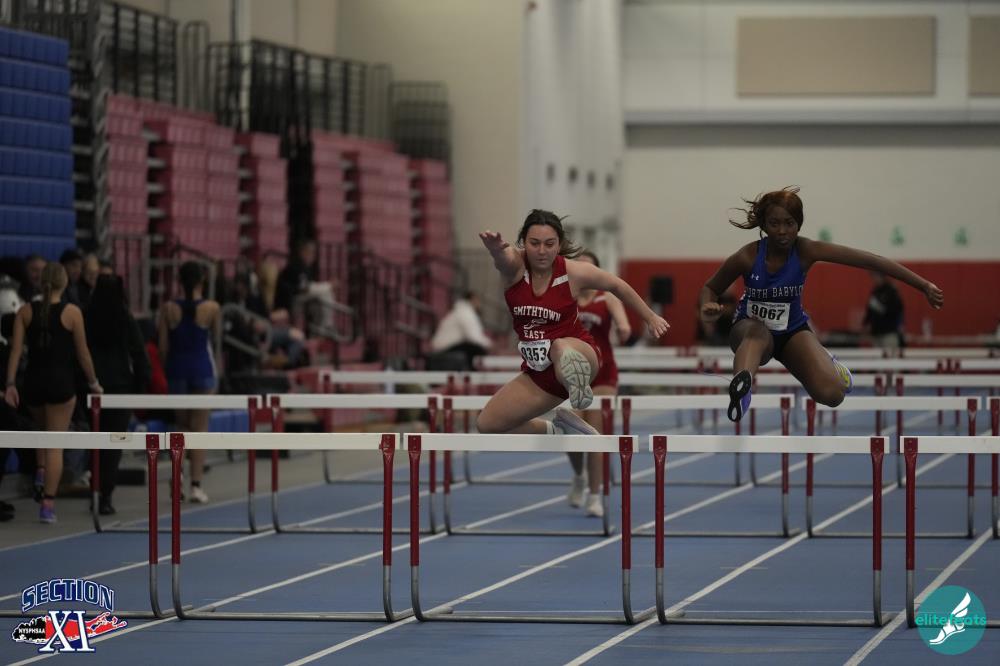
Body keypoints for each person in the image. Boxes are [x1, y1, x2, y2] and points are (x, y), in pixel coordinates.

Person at [699, 187, 944, 422]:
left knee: (832, 395)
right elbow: (710, 288)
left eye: (789, 223)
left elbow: (872, 261)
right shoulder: (747, 256)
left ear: (799, 225)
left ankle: (829, 363)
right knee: (757, 332)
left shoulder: (806, 250)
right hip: (749, 331)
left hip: (792, 331)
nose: (782, 231)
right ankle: (742, 389)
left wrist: (923, 285)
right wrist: (707, 307)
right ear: (763, 225)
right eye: (774, 224)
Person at [476, 209, 669, 444]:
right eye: (534, 243)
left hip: (581, 352)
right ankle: (559, 429)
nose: (542, 251)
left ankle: (575, 381)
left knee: (559, 347)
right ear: (523, 243)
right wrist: (496, 250)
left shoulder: (573, 272)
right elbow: (504, 259)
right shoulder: (516, 268)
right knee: (487, 424)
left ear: (559, 244)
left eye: (549, 244)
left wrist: (650, 317)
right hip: (540, 372)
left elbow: (617, 285)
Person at [4, 263, 103, 523]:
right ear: (64, 283)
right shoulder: (72, 313)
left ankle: (40, 471)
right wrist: (94, 383)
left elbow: (16, 351)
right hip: (60, 385)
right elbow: (83, 353)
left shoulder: (25, 311)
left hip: (33, 384)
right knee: (55, 444)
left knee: (41, 431)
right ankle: (47, 504)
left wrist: (10, 383)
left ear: (42, 282)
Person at [568, 250, 632, 517]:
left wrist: (623, 328)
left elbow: (623, 323)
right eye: (579, 267)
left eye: (589, 268)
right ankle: (579, 475)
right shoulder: (565, 297)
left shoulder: (607, 298)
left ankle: (594, 495)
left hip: (603, 375)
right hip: (574, 374)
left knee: (594, 436)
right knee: (570, 432)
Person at [86, 274, 151, 515]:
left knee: (94, 443)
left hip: (91, 387)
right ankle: (105, 495)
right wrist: (141, 386)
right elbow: (139, 352)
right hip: (120, 388)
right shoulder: (124, 316)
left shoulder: (85, 315)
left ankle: (94, 490)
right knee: (114, 444)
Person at [158, 262, 220, 503]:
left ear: (179, 281)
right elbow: (216, 344)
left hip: (177, 369)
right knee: (199, 429)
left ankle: (178, 479)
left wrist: (169, 370)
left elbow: (163, 347)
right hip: (202, 369)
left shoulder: (168, 309)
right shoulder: (212, 308)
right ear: (202, 281)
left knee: (181, 427)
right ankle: (196, 485)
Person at [428, 291, 493, 370]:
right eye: (478, 301)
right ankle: (472, 373)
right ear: (473, 299)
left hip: (444, 348)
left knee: (473, 348)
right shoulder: (465, 313)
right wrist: (490, 345)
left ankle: (472, 371)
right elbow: (473, 337)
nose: (480, 304)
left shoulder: (460, 311)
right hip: (443, 350)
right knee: (476, 349)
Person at [863, 271, 905, 350]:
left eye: (876, 276)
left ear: (882, 276)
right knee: (877, 356)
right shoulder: (875, 291)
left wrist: (881, 308)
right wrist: (865, 323)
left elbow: (897, 310)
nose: (874, 279)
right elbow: (870, 310)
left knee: (890, 355)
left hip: (889, 333)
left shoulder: (892, 291)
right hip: (876, 333)